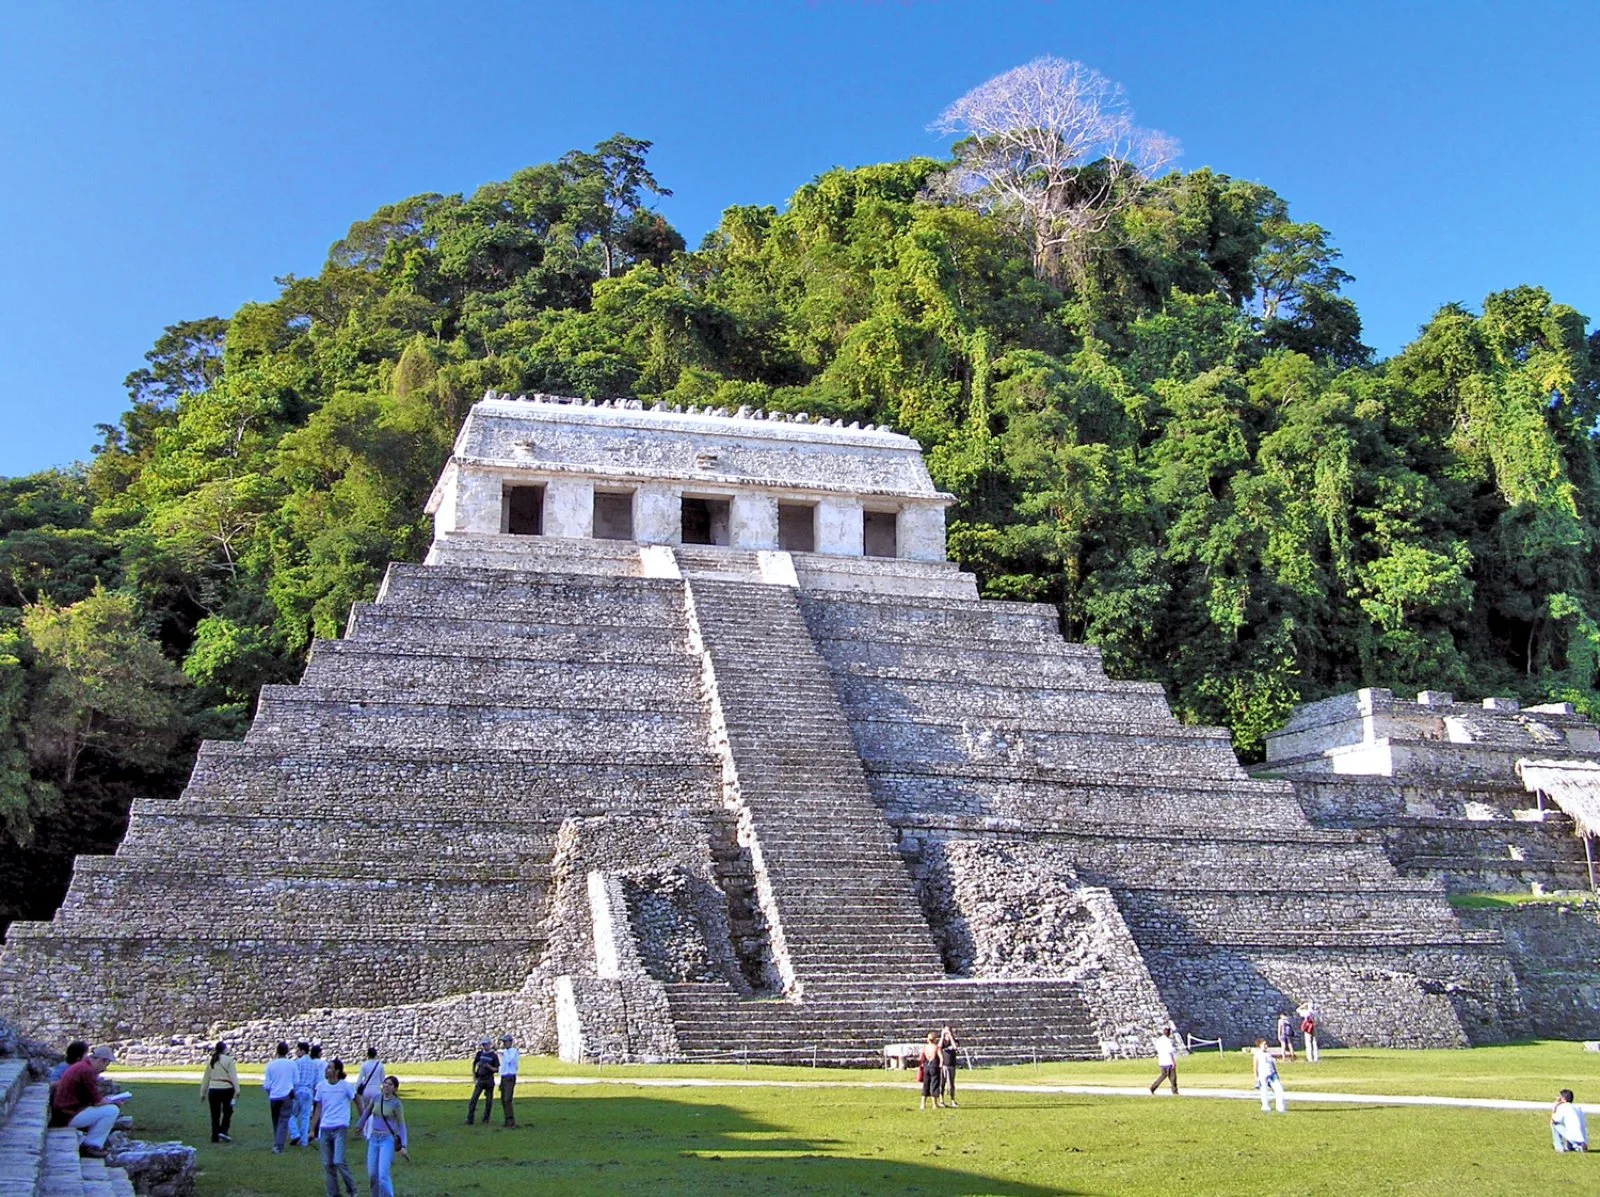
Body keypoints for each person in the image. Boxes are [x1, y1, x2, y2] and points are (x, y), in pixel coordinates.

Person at [53, 1046, 121, 1158]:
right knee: (112, 1111)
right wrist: (113, 1102)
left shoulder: (81, 1067)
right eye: (106, 1064)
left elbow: (91, 1098)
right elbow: (97, 1101)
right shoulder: (87, 1071)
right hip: (68, 1115)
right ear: (101, 1060)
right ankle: (92, 1145)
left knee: (108, 1109)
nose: (105, 1068)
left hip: (64, 1112)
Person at [311, 1057, 359, 1197]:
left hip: (340, 1127)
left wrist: (362, 1121)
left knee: (338, 1160)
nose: (327, 1070)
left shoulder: (345, 1086)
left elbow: (357, 1101)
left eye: (330, 1068)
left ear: (337, 1071)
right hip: (325, 1128)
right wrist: (312, 1129)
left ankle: (352, 1190)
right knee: (327, 1164)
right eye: (327, 1068)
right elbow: (318, 1109)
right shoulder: (321, 1086)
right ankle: (333, 1193)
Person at [361, 1074, 410, 1197]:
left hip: (387, 1139)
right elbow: (367, 1112)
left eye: (390, 1084)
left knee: (383, 1175)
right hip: (373, 1138)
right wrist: (359, 1125)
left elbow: (401, 1124)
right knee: (372, 1175)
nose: (386, 1086)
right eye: (385, 1083)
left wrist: (403, 1145)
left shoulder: (396, 1104)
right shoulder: (377, 1098)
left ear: (395, 1088)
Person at [199, 1041, 239, 1143]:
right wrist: (237, 1089)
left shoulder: (212, 1061)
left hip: (213, 1089)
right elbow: (233, 1076)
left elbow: (206, 1078)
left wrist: (202, 1093)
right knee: (228, 1111)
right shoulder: (229, 1060)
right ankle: (223, 1130)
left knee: (215, 1114)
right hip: (226, 1089)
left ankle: (215, 1136)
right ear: (224, 1049)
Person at [263, 1040, 296, 1153]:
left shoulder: (270, 1065)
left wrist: (270, 1093)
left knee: (275, 1120)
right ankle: (278, 1145)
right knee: (284, 1120)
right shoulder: (291, 1064)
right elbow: (296, 1080)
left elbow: (267, 1084)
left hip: (274, 1096)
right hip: (286, 1095)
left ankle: (276, 1141)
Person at [291, 1041, 320, 1148]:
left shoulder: (297, 1063)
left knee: (291, 1115)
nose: (296, 1052)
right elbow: (316, 1081)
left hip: (299, 1090)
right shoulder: (314, 1064)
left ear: (302, 1051)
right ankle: (304, 1141)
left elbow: (293, 1078)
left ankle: (295, 1134)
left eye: (298, 1050)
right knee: (305, 1117)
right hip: (309, 1091)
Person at [466, 1038, 498, 1125]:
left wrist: (488, 1067)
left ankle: (486, 1119)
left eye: (486, 1044)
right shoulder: (479, 1054)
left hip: (489, 1080)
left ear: (490, 1044)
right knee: (474, 1099)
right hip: (480, 1079)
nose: (484, 1046)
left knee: (489, 1101)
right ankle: (470, 1119)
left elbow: (496, 1069)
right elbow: (474, 1064)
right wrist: (474, 1078)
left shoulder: (493, 1056)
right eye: (483, 1045)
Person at [1253, 1039, 1286, 1113]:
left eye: (1266, 1044)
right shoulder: (1257, 1055)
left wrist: (1276, 1073)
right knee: (1264, 1091)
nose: (1266, 1046)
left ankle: (1280, 1107)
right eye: (1264, 1045)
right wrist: (1256, 1077)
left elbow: (1272, 1064)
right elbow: (1255, 1066)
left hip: (1272, 1074)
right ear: (1259, 1046)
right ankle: (1265, 1106)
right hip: (1262, 1075)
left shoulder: (1268, 1054)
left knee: (1279, 1089)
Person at [354, 1047, 386, 1117]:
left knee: (366, 1110)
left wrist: (355, 1089)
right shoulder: (380, 1065)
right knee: (376, 1111)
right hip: (376, 1090)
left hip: (366, 1090)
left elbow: (360, 1079)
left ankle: (366, 1125)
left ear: (367, 1055)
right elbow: (383, 1079)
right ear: (376, 1055)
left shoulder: (364, 1065)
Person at [498, 1034, 520, 1128]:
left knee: (507, 1099)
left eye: (505, 1042)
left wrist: (504, 1053)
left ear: (510, 1042)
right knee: (503, 1099)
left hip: (510, 1077)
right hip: (504, 1077)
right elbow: (502, 1066)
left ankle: (511, 1121)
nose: (503, 1044)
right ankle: (507, 1120)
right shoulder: (504, 1052)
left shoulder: (513, 1051)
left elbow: (509, 1060)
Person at [1149, 1027, 1179, 1095]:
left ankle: (1153, 1087)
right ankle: (1175, 1091)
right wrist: (1173, 1061)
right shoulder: (1168, 1041)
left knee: (1163, 1076)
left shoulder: (1159, 1040)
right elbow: (1170, 1052)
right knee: (1173, 1077)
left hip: (1162, 1061)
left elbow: (1157, 1049)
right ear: (1168, 1033)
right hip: (1168, 1061)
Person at [917, 1032, 943, 1111]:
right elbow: (941, 1058)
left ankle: (922, 1104)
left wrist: (921, 1065)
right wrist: (941, 1065)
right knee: (934, 1084)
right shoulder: (936, 1047)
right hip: (934, 1066)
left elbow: (921, 1058)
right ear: (935, 1039)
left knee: (926, 1084)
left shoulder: (925, 1047)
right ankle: (934, 1104)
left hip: (926, 1066)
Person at [938, 1026, 959, 1107]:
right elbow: (939, 1047)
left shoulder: (955, 1040)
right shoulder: (942, 1042)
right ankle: (941, 1100)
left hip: (951, 1065)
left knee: (951, 1084)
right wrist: (942, 1036)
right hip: (943, 1065)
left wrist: (950, 1036)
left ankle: (952, 1100)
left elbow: (955, 1047)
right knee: (941, 1084)